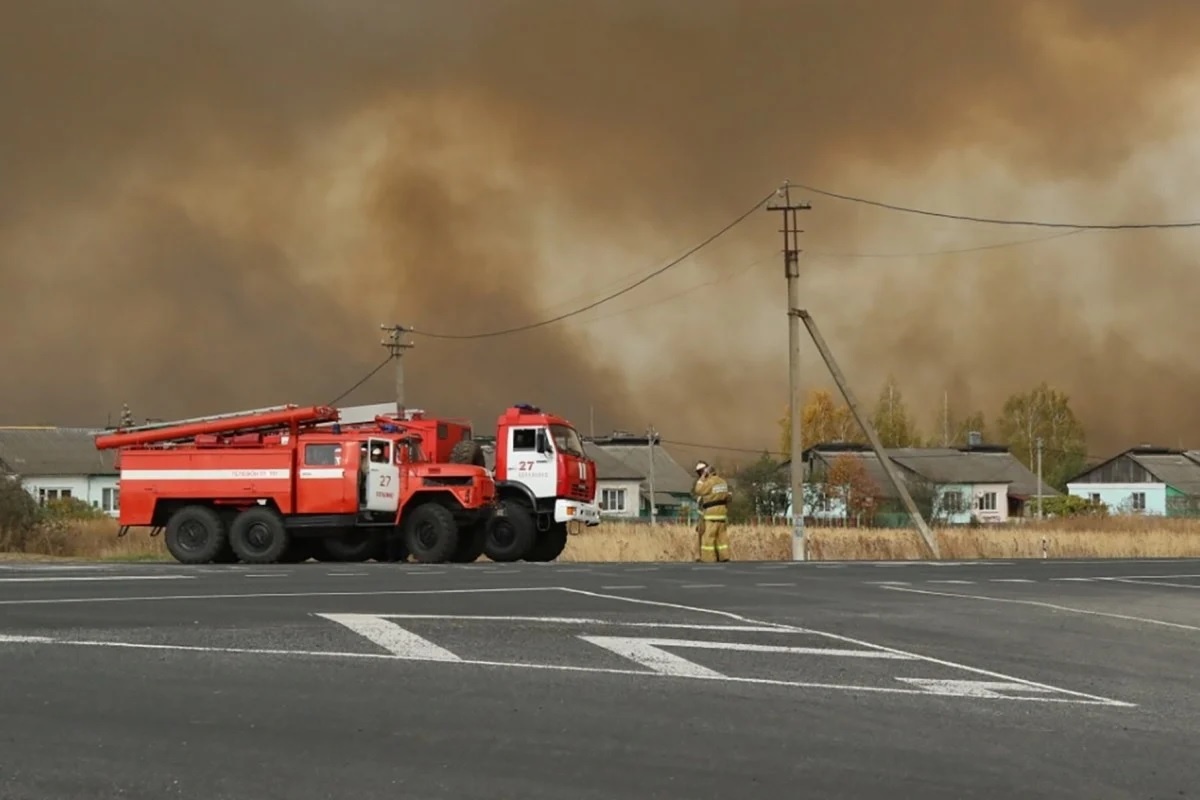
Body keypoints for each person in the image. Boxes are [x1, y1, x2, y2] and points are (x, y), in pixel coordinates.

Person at [692, 460, 732, 562]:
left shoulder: (709, 482)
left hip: (711, 514)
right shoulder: (723, 482)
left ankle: (708, 558)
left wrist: (701, 479)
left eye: (702, 472)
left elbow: (698, 490)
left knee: (708, 537)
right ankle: (724, 556)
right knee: (722, 537)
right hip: (722, 514)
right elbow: (727, 497)